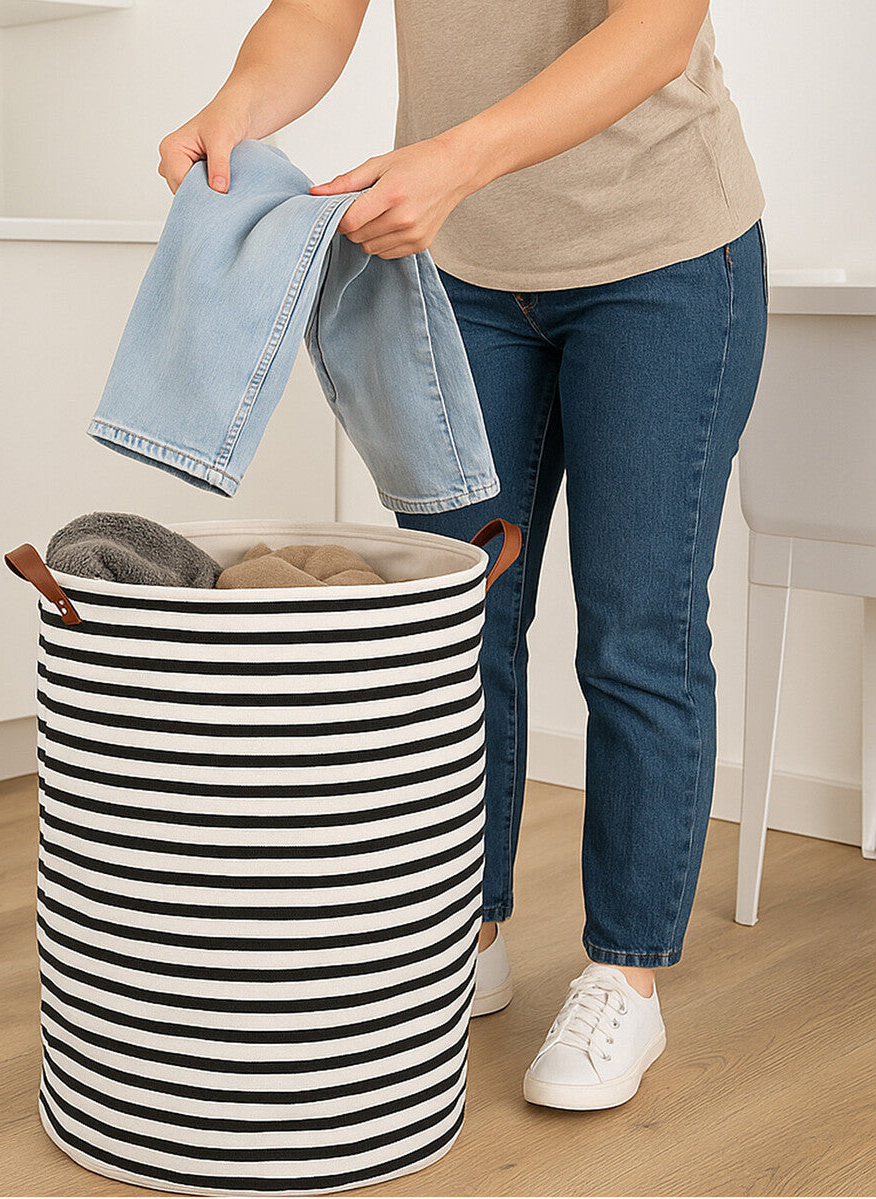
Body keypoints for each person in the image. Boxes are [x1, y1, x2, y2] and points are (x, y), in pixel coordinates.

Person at [157, 0, 767, 1112]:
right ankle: (465, 929)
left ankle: (626, 973)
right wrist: (235, 107)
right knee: (454, 625)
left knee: (640, 629)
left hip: (665, 257)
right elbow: (315, 13)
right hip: (467, 269)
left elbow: (653, 34)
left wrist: (451, 159)